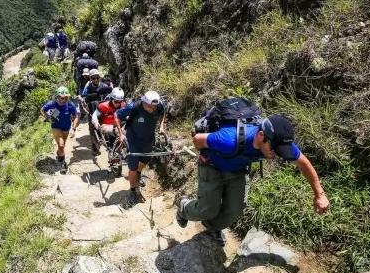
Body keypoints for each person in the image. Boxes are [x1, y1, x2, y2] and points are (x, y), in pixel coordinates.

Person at [177, 105, 330, 247]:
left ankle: (212, 228)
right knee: (208, 209)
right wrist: (210, 155)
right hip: (211, 166)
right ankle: (184, 207)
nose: (276, 154)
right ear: (261, 135)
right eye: (274, 150)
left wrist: (319, 194)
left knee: (235, 210)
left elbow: (304, 164)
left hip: (238, 169)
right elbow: (197, 140)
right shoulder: (228, 139)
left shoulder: (278, 143)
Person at [115, 91, 166, 208]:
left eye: (154, 107)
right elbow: (117, 115)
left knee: (144, 161)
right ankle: (133, 191)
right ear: (144, 102)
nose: (152, 109)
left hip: (148, 140)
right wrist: (120, 133)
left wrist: (161, 125)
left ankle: (138, 173)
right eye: (149, 107)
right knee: (132, 167)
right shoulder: (133, 107)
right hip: (133, 141)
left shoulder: (159, 106)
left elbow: (162, 112)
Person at [40, 87, 78, 173]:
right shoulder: (52, 104)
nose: (64, 100)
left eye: (66, 97)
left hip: (66, 128)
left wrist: (74, 128)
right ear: (58, 97)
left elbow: (76, 117)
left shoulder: (70, 104)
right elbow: (42, 110)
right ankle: (63, 164)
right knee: (61, 145)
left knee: (62, 146)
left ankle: (59, 156)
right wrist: (47, 117)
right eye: (62, 98)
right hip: (56, 127)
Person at [90, 87, 126, 155]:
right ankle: (116, 152)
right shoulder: (103, 106)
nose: (118, 104)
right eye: (116, 101)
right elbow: (94, 116)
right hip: (106, 125)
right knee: (119, 132)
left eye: (120, 102)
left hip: (119, 124)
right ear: (111, 99)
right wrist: (96, 123)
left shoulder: (123, 105)